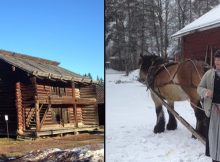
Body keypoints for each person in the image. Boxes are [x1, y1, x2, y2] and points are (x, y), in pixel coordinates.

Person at [197, 49, 220, 162]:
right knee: (213, 137)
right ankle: (215, 159)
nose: (217, 62)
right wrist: (206, 92)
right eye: (216, 60)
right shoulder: (209, 74)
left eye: (219, 60)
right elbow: (199, 88)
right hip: (212, 110)